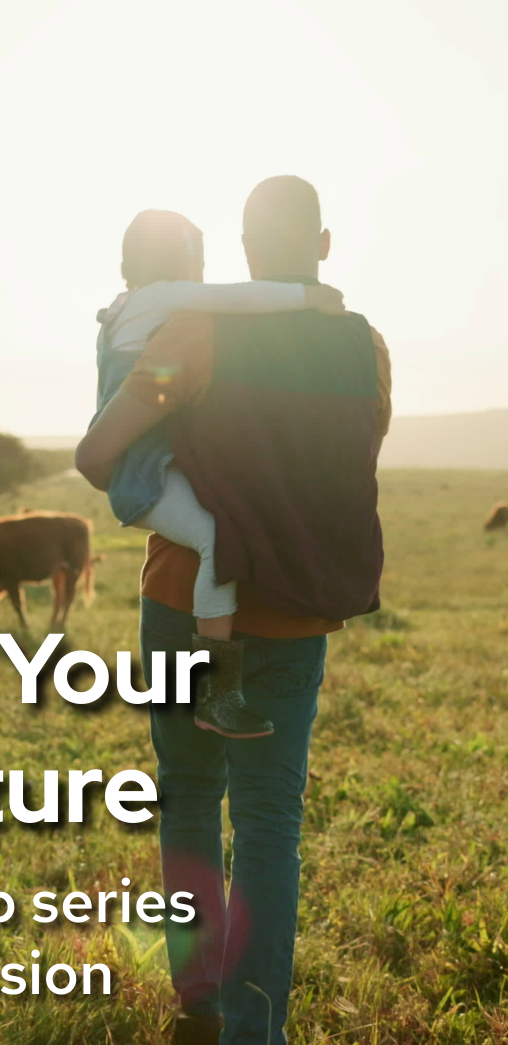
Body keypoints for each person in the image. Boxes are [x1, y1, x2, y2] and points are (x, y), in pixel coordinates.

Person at [76, 176, 391, 1045]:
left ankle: (199, 1009)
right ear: (322, 245)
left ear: (242, 253)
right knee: (267, 830)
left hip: (183, 604)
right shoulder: (365, 348)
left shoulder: (196, 331)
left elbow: (100, 455)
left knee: (185, 802)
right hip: (295, 612)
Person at [93, 208, 345, 738]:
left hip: (150, 465)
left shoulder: (126, 307)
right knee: (217, 538)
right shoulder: (163, 299)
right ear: (182, 262)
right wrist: (308, 298)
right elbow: (241, 299)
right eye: (199, 260)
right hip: (147, 471)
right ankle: (216, 689)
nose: (204, 274)